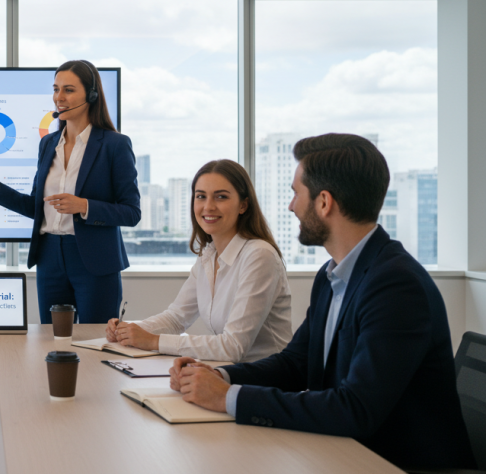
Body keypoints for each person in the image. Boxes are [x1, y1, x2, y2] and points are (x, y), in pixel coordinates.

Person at [170, 134, 475, 470]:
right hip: (342, 453)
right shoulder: (331, 276)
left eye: (295, 194)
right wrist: (220, 376)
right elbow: (295, 363)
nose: (291, 206)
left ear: (324, 202)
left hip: (393, 463)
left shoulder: (396, 285)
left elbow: (355, 409)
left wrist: (228, 398)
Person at [0, 60, 140, 323]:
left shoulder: (114, 145)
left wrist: (84, 206)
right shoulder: (48, 144)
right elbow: (36, 207)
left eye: (68, 90)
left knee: (95, 341)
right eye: (55, 89)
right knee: (52, 342)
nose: (59, 98)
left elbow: (131, 213)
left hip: (94, 259)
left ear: (91, 94)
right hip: (49, 256)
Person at [106, 159, 291, 362]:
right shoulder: (209, 255)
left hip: (266, 380)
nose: (208, 206)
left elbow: (233, 346)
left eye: (221, 197)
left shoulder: (259, 256)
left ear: (243, 205)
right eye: (201, 196)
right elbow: (176, 318)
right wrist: (130, 330)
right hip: (230, 372)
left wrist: (153, 341)